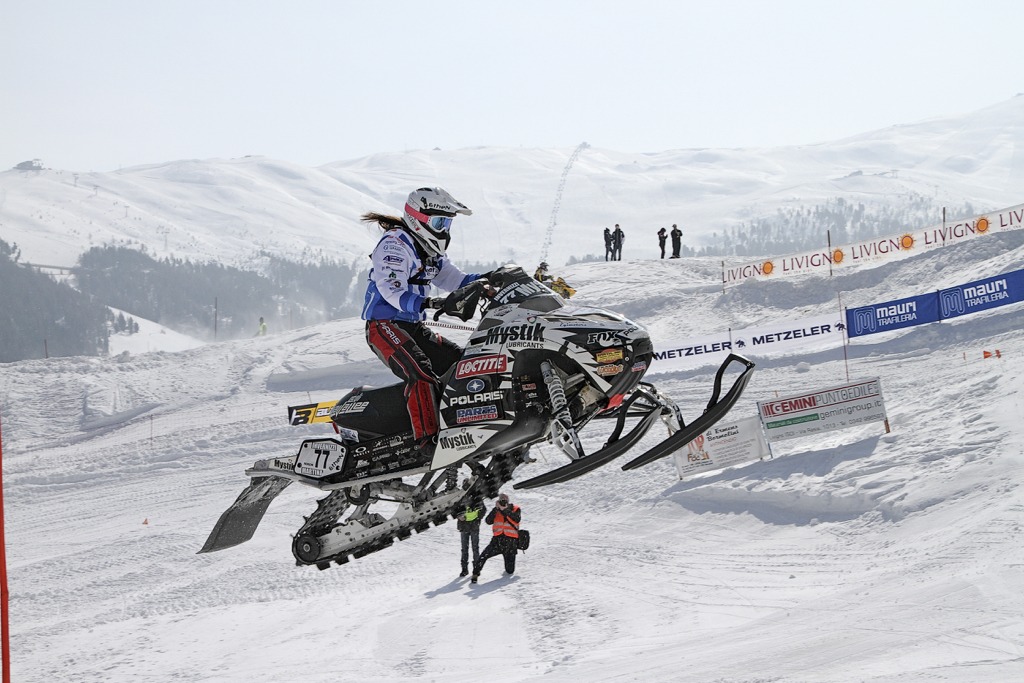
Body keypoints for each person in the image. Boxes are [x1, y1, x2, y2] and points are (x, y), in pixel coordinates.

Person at [361, 187, 486, 458]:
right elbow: (390, 289)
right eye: (441, 222)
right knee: (421, 373)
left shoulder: (428, 249)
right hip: (384, 326)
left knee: (463, 363)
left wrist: (491, 279)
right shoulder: (395, 244)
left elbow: (455, 279)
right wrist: (428, 303)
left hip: (412, 327)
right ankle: (427, 443)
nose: (445, 230)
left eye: (448, 223)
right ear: (419, 218)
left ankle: (468, 422)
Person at [471, 492, 521, 583]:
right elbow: (488, 521)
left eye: (504, 500)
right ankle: (475, 574)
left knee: (510, 571)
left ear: (508, 501)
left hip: (510, 542)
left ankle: (508, 567)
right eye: (501, 500)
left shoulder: (515, 509)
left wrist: (505, 510)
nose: (503, 502)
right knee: (483, 555)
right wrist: (495, 509)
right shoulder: (496, 510)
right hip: (497, 541)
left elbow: (516, 519)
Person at [457, 498, 487, 577]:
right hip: (464, 526)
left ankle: (476, 569)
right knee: (464, 549)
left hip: (474, 527)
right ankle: (464, 570)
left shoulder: (476, 497)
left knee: (475, 548)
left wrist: (478, 518)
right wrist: (459, 516)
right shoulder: (461, 497)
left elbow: (483, 509)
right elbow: (455, 510)